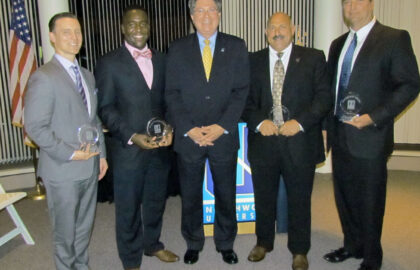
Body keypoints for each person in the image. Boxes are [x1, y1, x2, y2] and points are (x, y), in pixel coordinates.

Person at [323, 1, 420, 270]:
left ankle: (372, 256)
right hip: (340, 136)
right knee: (345, 196)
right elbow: (330, 92)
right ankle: (352, 246)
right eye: (346, 2)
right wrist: (325, 129)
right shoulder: (338, 44)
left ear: (371, 3)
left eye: (357, 0)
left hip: (371, 137)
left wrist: (374, 116)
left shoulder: (393, 38)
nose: (351, 6)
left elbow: (410, 84)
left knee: (370, 199)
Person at [241, 12, 331, 270]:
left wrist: (300, 122)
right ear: (266, 32)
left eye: (282, 26)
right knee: (263, 196)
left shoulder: (314, 58)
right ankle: (263, 242)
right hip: (264, 142)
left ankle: (300, 250)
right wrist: (259, 122)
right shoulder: (252, 60)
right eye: (272, 27)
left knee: (300, 198)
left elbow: (324, 98)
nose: (277, 31)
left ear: (294, 29)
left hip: (300, 142)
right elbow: (244, 101)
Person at [165, 0, 249, 265]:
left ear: (220, 15)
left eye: (211, 10)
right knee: (190, 195)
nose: (205, 16)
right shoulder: (177, 49)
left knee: (226, 194)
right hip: (190, 138)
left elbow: (241, 91)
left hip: (223, 136)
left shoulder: (236, 46)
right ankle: (193, 242)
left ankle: (226, 243)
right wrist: (188, 128)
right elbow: (172, 93)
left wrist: (222, 126)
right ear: (191, 17)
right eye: (199, 11)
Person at [94, 5, 178, 270]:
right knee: (128, 208)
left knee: (155, 202)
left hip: (159, 150)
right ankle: (130, 260)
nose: (138, 29)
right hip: (128, 150)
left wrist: (170, 129)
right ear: (122, 28)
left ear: (149, 27)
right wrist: (132, 135)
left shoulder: (162, 60)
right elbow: (105, 108)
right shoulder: (109, 63)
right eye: (132, 24)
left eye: (143, 24)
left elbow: (170, 102)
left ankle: (152, 245)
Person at [24, 12, 108, 270]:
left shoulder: (87, 75)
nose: (74, 37)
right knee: (65, 234)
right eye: (66, 32)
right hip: (62, 170)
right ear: (52, 37)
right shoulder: (44, 77)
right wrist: (71, 154)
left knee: (84, 227)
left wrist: (101, 155)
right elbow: (35, 127)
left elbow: (93, 120)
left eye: (77, 32)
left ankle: (81, 266)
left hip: (90, 165)